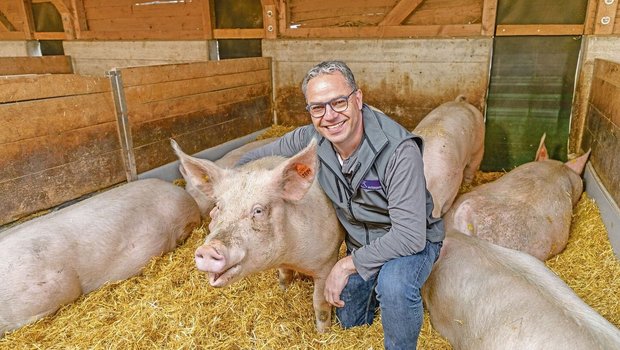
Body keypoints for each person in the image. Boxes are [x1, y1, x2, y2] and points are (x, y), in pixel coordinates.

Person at [236, 60, 444, 349]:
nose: (329, 116)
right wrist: (231, 200)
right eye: (317, 107)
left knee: (394, 286)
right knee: (350, 321)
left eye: (339, 102)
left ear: (358, 99)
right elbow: (250, 159)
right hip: (361, 243)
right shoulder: (310, 139)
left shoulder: (398, 151)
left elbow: (409, 235)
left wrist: (346, 265)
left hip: (410, 243)